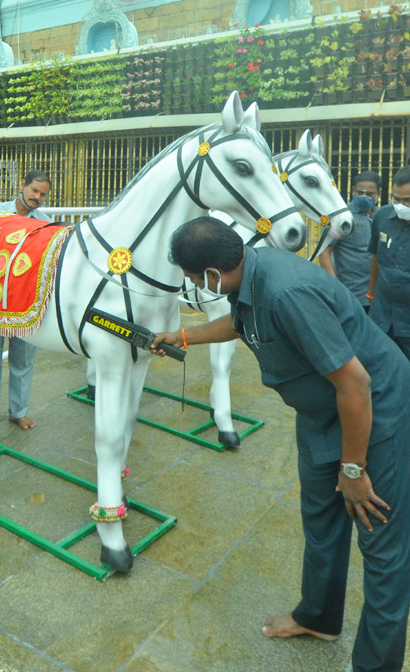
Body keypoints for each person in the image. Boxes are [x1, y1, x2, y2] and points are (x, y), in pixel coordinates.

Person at [152, 216, 410, 672]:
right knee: (322, 522)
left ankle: (376, 665)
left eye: (194, 279)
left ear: (212, 272)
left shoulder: (287, 291)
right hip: (320, 413)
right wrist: (185, 335)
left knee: (382, 548)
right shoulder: (246, 272)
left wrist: (353, 469)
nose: (195, 286)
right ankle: (320, 617)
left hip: (374, 412)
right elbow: (239, 323)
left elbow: (356, 383)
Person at [0, 170, 51, 434]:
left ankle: (18, 412)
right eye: (34, 191)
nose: (37, 197)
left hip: (25, 304)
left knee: (24, 359)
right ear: (22, 185)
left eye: (43, 194)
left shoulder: (46, 223)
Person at [319, 170, 380, 312]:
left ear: (377, 194)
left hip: (377, 296)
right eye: (360, 192)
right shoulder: (341, 217)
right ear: (353, 191)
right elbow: (324, 252)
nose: (364, 196)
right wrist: (336, 286)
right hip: (350, 295)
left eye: (369, 194)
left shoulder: (380, 216)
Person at [367, 165, 410, 360]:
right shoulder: (382, 216)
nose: (400, 205)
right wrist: (371, 293)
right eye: (396, 199)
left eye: (407, 201)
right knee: (382, 371)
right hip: (382, 317)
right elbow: (376, 257)